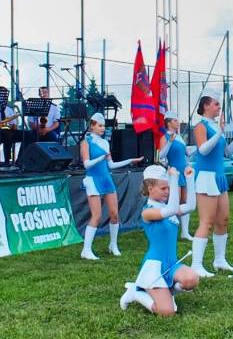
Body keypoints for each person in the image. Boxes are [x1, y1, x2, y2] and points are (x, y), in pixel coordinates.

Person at [119, 165, 200, 316]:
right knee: (167, 312)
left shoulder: (166, 207)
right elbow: (171, 210)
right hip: (154, 266)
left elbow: (191, 206)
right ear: (150, 188)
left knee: (192, 279)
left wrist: (189, 179)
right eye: (164, 188)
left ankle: (168, 292)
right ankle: (134, 293)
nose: (167, 191)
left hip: (171, 264)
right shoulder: (148, 212)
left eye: (168, 188)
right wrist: (174, 180)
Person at [190, 95, 233, 277]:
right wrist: (220, 132)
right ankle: (196, 265)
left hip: (219, 177)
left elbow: (227, 152)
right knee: (206, 222)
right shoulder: (200, 126)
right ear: (206, 106)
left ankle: (219, 260)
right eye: (216, 104)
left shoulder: (215, 127)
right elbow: (203, 150)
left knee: (223, 220)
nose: (219, 107)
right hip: (206, 177)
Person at [79, 113, 143, 260]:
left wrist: (129, 160)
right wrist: (101, 157)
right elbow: (86, 164)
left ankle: (113, 245)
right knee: (97, 216)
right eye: (100, 126)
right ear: (92, 126)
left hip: (106, 179)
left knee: (114, 214)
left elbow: (111, 165)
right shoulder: (86, 142)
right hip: (93, 179)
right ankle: (86, 250)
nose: (103, 128)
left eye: (104, 126)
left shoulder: (105, 143)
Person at [158, 116, 194, 241]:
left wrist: (199, 147)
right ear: (168, 123)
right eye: (175, 121)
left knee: (185, 201)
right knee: (174, 202)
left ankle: (185, 232)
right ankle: (169, 231)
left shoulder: (179, 137)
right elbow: (161, 155)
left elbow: (187, 153)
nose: (178, 122)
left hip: (184, 172)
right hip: (174, 173)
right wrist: (170, 142)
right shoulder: (164, 137)